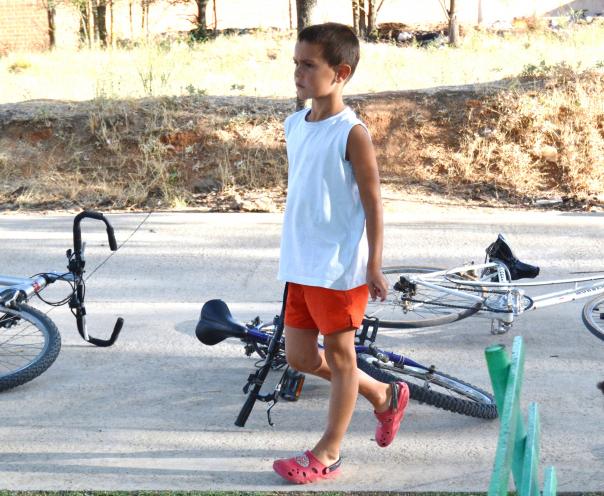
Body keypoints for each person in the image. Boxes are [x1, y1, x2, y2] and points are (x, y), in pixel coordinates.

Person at [272, 22, 410, 484]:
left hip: (339, 268)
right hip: (301, 262)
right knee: (299, 357)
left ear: (341, 72)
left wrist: (374, 264)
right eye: (296, 64)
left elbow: (373, 202)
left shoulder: (352, 133)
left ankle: (328, 453)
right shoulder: (294, 124)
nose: (299, 73)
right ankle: (384, 395)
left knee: (340, 355)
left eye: (309, 65)